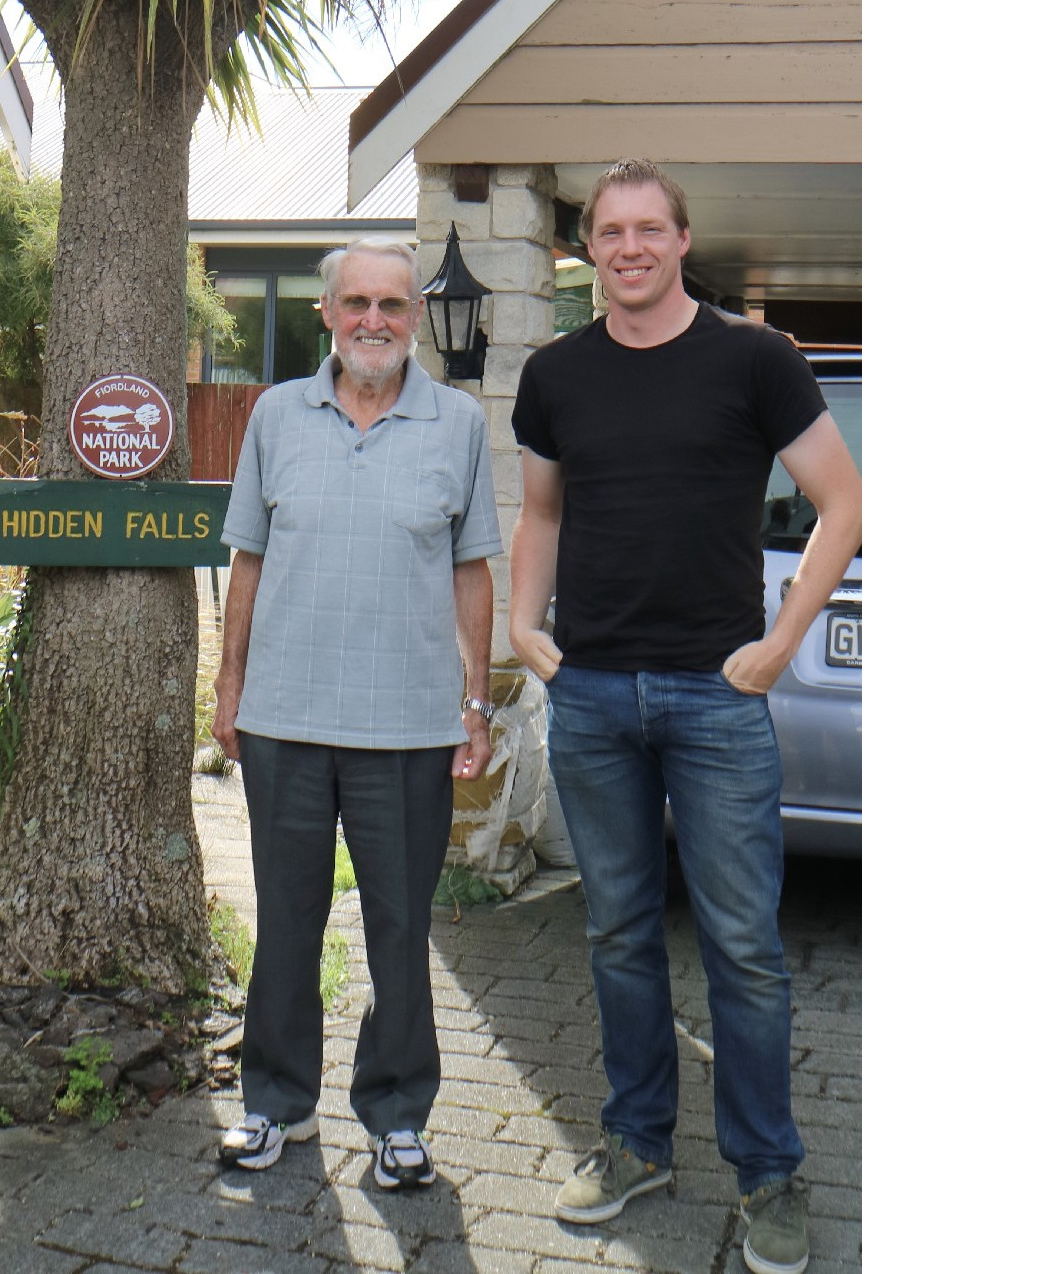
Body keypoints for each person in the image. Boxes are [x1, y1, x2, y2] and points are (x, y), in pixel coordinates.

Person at [508, 160, 861, 1274]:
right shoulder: (554, 372)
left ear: (680, 238)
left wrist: (781, 638)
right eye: (607, 231)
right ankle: (634, 1140)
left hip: (716, 696)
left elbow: (842, 503)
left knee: (744, 946)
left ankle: (768, 1173)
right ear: (585, 249)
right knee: (617, 932)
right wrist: (525, 629)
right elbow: (540, 509)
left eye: (647, 229)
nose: (628, 247)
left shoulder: (755, 358)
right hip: (595, 695)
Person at [212, 236, 502, 1190]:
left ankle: (396, 1115)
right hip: (285, 721)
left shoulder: (456, 424)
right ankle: (276, 1107)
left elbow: (471, 571)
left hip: (410, 730)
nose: (374, 320)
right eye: (357, 304)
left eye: (392, 304)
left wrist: (474, 702)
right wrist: (227, 688)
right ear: (327, 314)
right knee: (286, 924)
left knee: (399, 931)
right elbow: (246, 560)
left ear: (414, 317)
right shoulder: (273, 416)